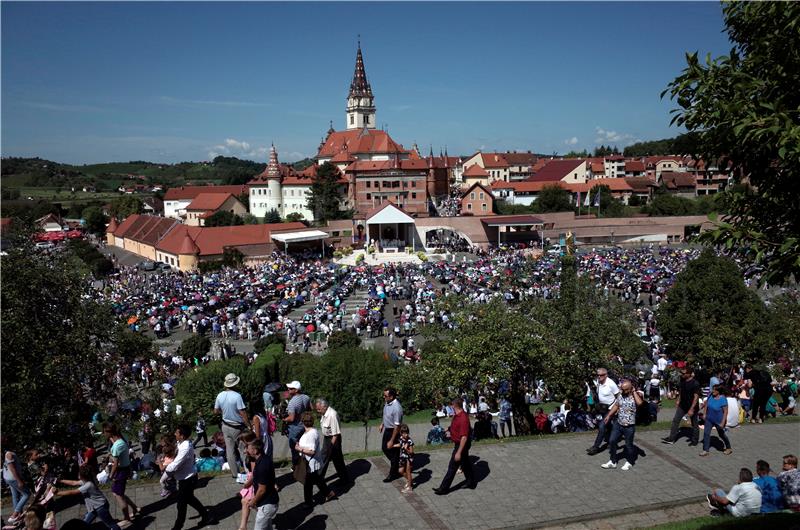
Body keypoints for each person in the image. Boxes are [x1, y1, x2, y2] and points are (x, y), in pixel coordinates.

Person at [166, 424, 217, 530]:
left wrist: (166, 469)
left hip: (187, 479)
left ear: (182, 436)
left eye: (177, 432)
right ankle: (206, 516)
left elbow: (175, 465)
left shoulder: (185, 447)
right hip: (185, 478)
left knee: (181, 505)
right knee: (190, 499)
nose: (175, 434)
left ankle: (177, 527)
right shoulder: (180, 443)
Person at [54, 464, 121, 530]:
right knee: (84, 523)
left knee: (111, 525)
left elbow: (72, 492)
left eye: (79, 473)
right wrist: (61, 480)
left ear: (82, 476)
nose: (78, 474)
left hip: (100, 507)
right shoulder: (86, 481)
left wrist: (57, 493)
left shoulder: (88, 485)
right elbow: (73, 483)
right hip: (94, 508)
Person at [433, 397, 475, 495]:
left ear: (455, 405)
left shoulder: (463, 418)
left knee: (452, 466)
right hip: (459, 443)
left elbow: (464, 437)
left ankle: (443, 489)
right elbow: (455, 425)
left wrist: (459, 452)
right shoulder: (457, 415)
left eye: (452, 405)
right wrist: (449, 429)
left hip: (461, 445)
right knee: (465, 464)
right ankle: (471, 482)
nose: (451, 407)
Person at [600, 378, 643, 471]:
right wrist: (609, 415)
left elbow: (640, 403)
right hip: (618, 424)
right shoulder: (621, 395)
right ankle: (613, 461)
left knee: (628, 445)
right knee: (612, 441)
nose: (622, 391)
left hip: (629, 426)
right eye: (622, 389)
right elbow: (616, 405)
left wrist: (634, 392)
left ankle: (630, 461)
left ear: (630, 388)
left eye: (624, 389)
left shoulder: (636, 395)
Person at [214, 373, 250, 479]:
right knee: (242, 449)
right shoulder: (237, 396)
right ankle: (248, 471)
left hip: (225, 425)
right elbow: (243, 413)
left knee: (230, 450)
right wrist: (248, 425)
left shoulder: (220, 395)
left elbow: (215, 411)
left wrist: (224, 411)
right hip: (237, 426)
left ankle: (235, 473)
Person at [295, 411, 336, 508]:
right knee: (317, 479)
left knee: (308, 483)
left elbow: (311, 451)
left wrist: (299, 448)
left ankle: (308, 502)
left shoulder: (310, 435)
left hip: (309, 463)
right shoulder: (312, 431)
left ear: (302, 422)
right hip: (311, 462)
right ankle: (328, 493)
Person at [102, 423, 140, 523]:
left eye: (104, 432)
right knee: (118, 493)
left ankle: (127, 517)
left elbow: (115, 463)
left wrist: (110, 476)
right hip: (125, 469)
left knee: (118, 495)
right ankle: (135, 508)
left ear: (109, 432)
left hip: (120, 471)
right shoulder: (121, 440)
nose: (103, 434)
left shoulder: (116, 446)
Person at [315, 398, 350, 485]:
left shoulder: (332, 415)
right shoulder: (325, 413)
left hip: (333, 440)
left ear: (325, 407)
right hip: (327, 438)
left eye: (319, 409)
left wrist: (330, 446)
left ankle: (344, 480)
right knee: (324, 458)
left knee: (337, 460)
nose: (317, 411)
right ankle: (319, 477)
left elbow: (335, 434)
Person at [662, 367, 700, 446]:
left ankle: (695, 440)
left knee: (694, 423)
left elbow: (696, 397)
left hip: (692, 406)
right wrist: (678, 400)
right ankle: (671, 438)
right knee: (676, 420)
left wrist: (691, 409)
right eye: (681, 373)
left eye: (683, 373)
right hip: (682, 405)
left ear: (689, 374)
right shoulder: (682, 381)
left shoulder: (695, 383)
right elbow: (681, 391)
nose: (681, 374)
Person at [246, 439, 279, 530]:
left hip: (267, 505)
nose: (246, 451)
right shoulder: (264, 458)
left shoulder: (262, 466)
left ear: (255, 451)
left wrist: (253, 501)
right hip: (269, 502)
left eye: (248, 449)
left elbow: (262, 490)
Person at [587, 368, 620, 455]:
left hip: (611, 409)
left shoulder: (611, 384)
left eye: (601, 375)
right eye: (597, 375)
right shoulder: (598, 382)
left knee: (602, 426)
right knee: (608, 426)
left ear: (606, 375)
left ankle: (595, 447)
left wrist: (617, 408)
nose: (599, 377)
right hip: (602, 408)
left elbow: (618, 396)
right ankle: (612, 443)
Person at [699, 385, 732, 457]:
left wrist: (723, 422)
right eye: (712, 389)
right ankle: (705, 450)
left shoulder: (723, 399)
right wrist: (704, 413)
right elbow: (706, 404)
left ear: (718, 391)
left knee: (721, 434)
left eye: (714, 390)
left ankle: (728, 448)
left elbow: (725, 411)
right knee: (706, 433)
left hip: (719, 420)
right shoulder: (711, 395)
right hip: (709, 418)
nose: (712, 391)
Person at [379, 387, 403, 483]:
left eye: (385, 396)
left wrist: (392, 440)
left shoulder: (397, 408)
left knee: (393, 453)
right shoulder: (388, 402)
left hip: (394, 432)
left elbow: (397, 426)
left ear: (391, 396)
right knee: (385, 448)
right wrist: (382, 423)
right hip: (387, 429)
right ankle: (396, 464)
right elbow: (386, 414)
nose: (384, 397)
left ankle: (393, 474)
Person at [284, 381, 311, 467]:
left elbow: (291, 418)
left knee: (294, 448)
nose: (288, 390)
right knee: (304, 445)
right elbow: (310, 408)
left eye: (290, 388)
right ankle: (306, 463)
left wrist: (284, 419)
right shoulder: (306, 397)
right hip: (304, 425)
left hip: (294, 427)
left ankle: (296, 466)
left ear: (296, 390)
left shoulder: (292, 402)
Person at [3, 450, 31, 526]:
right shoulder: (9, 454)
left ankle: (17, 519)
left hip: (8, 478)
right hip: (13, 478)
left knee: (15, 496)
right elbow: (12, 468)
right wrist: (19, 481)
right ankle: (15, 514)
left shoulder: (7, 453)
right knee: (27, 494)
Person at [393, 424, 415, 493]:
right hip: (402, 457)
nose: (406, 435)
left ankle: (409, 488)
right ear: (401, 433)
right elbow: (400, 444)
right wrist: (393, 446)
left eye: (407, 433)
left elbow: (411, 452)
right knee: (400, 471)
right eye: (404, 433)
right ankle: (410, 481)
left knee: (408, 471)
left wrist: (407, 449)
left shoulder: (409, 441)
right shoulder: (401, 438)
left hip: (409, 458)